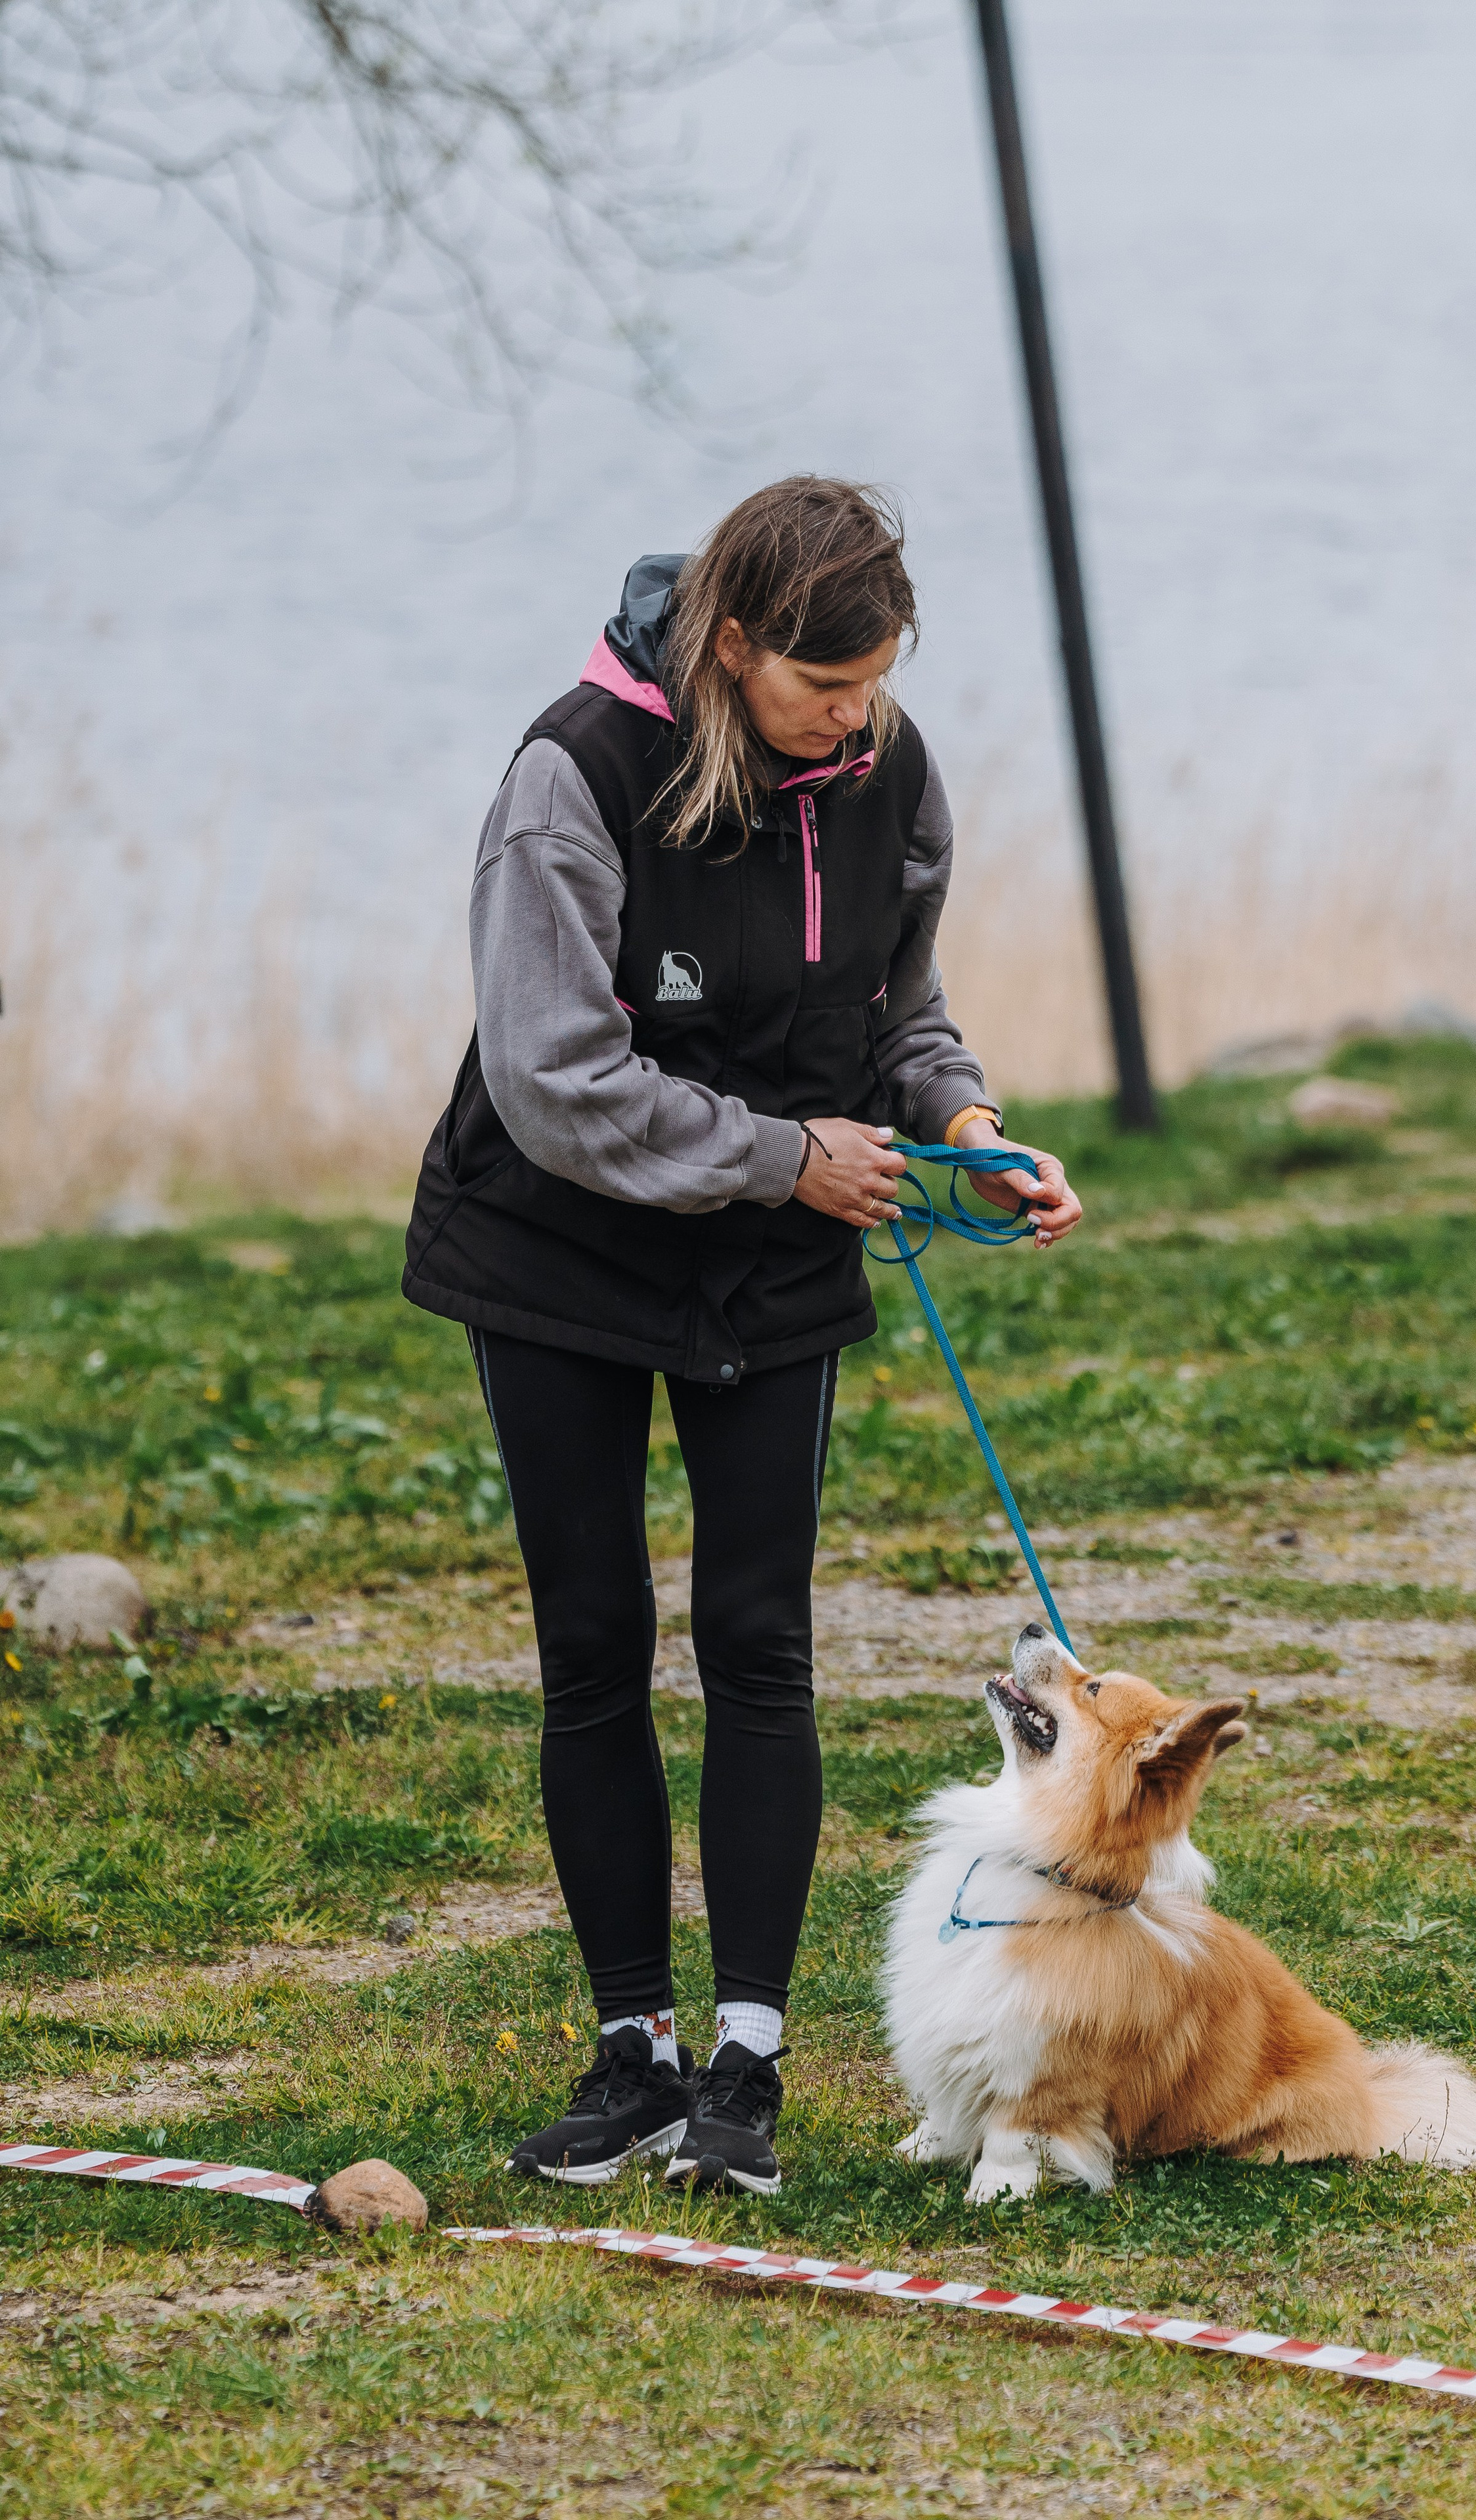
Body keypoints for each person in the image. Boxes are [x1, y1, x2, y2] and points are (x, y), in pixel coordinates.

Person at [403, 477, 1081, 2196]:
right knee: (596, 1643)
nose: (852, 717)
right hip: (558, 1242)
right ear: (729, 644)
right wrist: (791, 1155)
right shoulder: (573, 778)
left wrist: (964, 1123)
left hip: (778, 1244)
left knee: (760, 1640)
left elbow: (893, 1009)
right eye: (819, 688)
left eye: (872, 683)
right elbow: (556, 1082)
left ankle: (748, 2070)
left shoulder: (889, 774)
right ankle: (631, 2053)